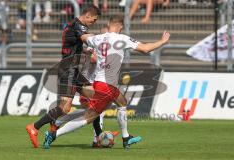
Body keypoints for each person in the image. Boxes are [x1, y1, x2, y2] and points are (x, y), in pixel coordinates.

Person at [43, 15, 170, 149]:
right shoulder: (122, 38)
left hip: (103, 83)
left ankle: (126, 138)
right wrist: (162, 41)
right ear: (120, 26)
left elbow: (83, 37)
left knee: (122, 102)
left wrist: (74, 28)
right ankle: (53, 135)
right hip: (106, 86)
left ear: (109, 24)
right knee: (88, 117)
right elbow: (145, 49)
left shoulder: (97, 38)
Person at [26, 5, 101, 148]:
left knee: (97, 99)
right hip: (68, 71)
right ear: (87, 15)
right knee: (64, 108)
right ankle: (34, 127)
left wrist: (86, 51)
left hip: (73, 70)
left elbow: (73, 45)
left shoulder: (71, 25)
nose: (94, 23)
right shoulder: (78, 26)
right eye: (93, 20)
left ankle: (98, 137)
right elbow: (87, 37)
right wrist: (103, 39)